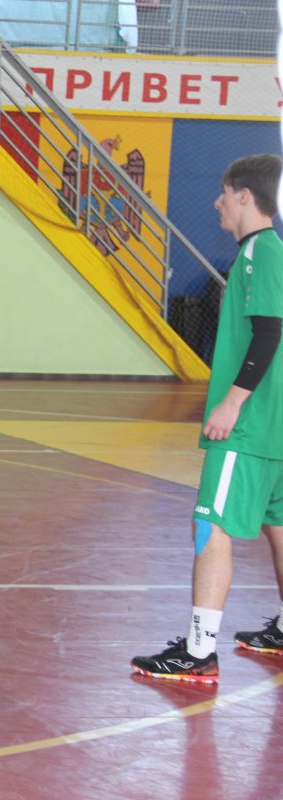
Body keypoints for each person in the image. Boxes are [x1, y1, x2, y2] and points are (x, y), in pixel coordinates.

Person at [132, 154, 283, 683]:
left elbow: (270, 331)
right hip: (273, 425)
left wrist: (233, 401)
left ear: (245, 196)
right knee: (277, 523)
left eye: (223, 192)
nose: (217, 202)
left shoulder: (261, 253)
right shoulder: (263, 253)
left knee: (210, 524)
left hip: (249, 425)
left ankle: (198, 653)